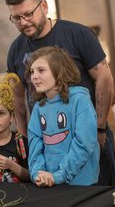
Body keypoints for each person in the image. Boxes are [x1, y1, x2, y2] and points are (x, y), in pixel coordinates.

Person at [5, 0, 115, 186]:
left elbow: (104, 78)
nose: (23, 22)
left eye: (28, 14)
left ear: (44, 6)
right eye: (16, 18)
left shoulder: (78, 34)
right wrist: (24, 139)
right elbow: (19, 97)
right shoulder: (15, 49)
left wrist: (99, 128)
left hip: (87, 135)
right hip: (48, 140)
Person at [26, 46, 100, 186]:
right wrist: (38, 173)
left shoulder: (79, 100)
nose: (34, 76)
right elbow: (35, 144)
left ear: (58, 71)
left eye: (41, 70)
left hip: (80, 185)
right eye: (32, 71)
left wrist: (59, 175)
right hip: (48, 182)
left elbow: (84, 143)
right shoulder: (38, 106)